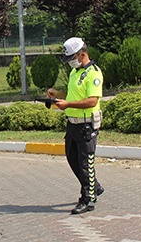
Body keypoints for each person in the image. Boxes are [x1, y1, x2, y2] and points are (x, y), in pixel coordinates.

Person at [47, 37, 104, 214]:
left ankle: (88, 199)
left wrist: (68, 105)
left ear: (82, 55)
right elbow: (74, 95)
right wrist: (58, 94)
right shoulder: (75, 72)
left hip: (86, 125)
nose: (70, 62)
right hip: (72, 124)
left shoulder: (94, 73)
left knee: (85, 163)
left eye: (72, 58)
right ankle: (95, 187)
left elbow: (91, 100)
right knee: (72, 159)